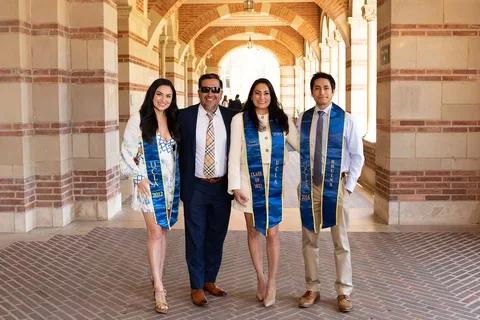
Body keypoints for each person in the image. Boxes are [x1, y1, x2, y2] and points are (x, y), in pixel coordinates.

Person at [296, 72, 364, 312]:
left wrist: (348, 186)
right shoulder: (303, 119)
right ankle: (312, 287)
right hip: (309, 187)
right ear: (311, 91)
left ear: (333, 91)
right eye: (317, 88)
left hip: (337, 186)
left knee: (340, 242)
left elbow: (357, 155)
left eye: (326, 88)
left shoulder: (347, 120)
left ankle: (344, 291)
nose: (321, 92)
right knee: (309, 241)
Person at [228, 78, 299, 307]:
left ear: (272, 95)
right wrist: (235, 186)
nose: (261, 97)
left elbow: (301, 145)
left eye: (266, 93)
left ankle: (273, 283)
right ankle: (260, 278)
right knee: (253, 232)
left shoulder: (282, 118)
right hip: (249, 182)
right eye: (257, 93)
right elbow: (232, 154)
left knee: (273, 233)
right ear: (251, 95)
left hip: (275, 183)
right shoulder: (240, 120)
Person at [120, 78, 181, 314]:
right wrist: (137, 178)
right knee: (155, 232)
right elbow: (126, 150)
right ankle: (158, 288)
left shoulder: (172, 120)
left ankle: (158, 276)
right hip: (148, 185)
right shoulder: (139, 119)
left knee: (163, 231)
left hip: (169, 186)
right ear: (151, 95)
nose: (163, 100)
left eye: (168, 96)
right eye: (159, 94)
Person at [178, 73, 237, 307]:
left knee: (216, 236)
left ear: (221, 93)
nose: (210, 94)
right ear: (199, 92)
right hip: (196, 186)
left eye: (214, 89)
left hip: (222, 187)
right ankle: (196, 285)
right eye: (205, 89)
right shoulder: (184, 116)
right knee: (195, 237)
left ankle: (210, 280)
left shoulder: (233, 118)